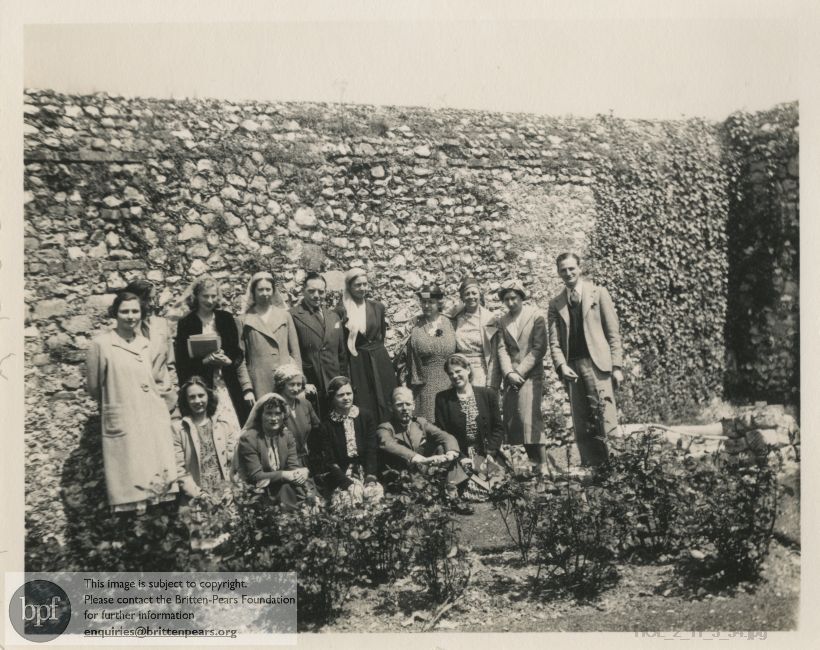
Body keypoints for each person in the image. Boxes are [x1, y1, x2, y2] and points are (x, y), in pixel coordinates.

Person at [86, 291, 178, 512]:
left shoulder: (145, 344)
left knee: (154, 480)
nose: (130, 316)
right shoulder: (102, 344)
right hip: (124, 416)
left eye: (135, 311)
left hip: (150, 416)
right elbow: (94, 387)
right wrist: (118, 400)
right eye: (124, 311)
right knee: (128, 482)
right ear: (115, 314)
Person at [547, 252, 623, 468]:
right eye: (563, 270)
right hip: (572, 367)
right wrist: (561, 366)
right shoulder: (556, 303)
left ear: (580, 268)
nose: (568, 273)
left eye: (571, 268)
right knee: (582, 423)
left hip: (597, 364)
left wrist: (616, 366)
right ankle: (595, 469)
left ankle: (618, 469)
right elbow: (555, 343)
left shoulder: (598, 294)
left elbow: (613, 333)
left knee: (605, 418)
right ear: (558, 273)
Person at [174, 276, 254, 427]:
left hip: (226, 383)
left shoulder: (226, 318)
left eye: (213, 296)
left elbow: (237, 352)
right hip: (202, 386)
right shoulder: (186, 323)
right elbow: (182, 360)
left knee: (232, 427)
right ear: (196, 296)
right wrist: (205, 361)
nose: (210, 300)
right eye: (205, 296)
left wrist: (228, 361)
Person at [494, 280, 550, 476]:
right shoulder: (503, 321)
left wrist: (520, 372)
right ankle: (535, 468)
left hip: (530, 375)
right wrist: (509, 372)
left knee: (530, 420)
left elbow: (539, 348)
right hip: (511, 377)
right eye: (506, 299)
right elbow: (501, 349)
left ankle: (543, 469)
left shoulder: (535, 316)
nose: (510, 303)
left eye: (514, 298)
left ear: (521, 298)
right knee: (517, 421)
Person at [376, 387, 468, 499]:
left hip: (424, 472)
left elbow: (445, 437)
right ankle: (439, 491)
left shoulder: (420, 423)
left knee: (442, 447)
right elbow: (388, 444)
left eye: (408, 404)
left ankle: (451, 489)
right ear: (391, 407)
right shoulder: (385, 428)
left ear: (413, 405)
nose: (405, 408)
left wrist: (450, 454)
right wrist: (420, 458)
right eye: (399, 405)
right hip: (402, 476)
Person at [335, 267, 397, 423]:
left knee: (386, 396)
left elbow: (381, 334)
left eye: (365, 284)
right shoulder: (341, 310)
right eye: (357, 285)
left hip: (379, 358)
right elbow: (341, 340)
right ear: (349, 286)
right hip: (358, 361)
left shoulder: (377, 307)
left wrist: (377, 354)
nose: (362, 288)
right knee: (365, 399)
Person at [234, 393, 314, 510]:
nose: (274, 418)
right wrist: (284, 475)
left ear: (283, 415)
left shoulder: (286, 436)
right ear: (260, 415)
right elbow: (256, 476)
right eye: (269, 413)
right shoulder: (249, 438)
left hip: (282, 488)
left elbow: (292, 467)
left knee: (305, 498)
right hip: (258, 491)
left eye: (277, 413)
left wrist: (304, 480)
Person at [309, 376, 383, 504]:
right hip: (340, 475)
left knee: (375, 494)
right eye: (341, 395)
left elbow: (371, 449)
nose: (346, 398)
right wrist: (346, 483)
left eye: (349, 393)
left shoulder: (365, 416)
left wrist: (370, 477)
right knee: (350, 497)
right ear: (332, 397)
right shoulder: (326, 425)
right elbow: (329, 460)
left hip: (364, 471)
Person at [289, 271, 348, 418]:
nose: (316, 295)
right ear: (303, 291)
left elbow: (341, 354)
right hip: (311, 382)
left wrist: (344, 381)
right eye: (311, 291)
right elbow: (290, 354)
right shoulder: (293, 315)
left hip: (334, 383)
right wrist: (301, 383)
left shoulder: (333, 316)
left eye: (321, 291)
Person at [237, 271, 302, 398]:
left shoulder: (285, 316)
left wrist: (299, 381)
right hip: (259, 382)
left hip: (287, 380)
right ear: (253, 292)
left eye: (268, 289)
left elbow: (295, 352)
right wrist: (247, 388)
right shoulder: (243, 320)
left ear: (273, 291)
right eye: (260, 290)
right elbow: (240, 359)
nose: (265, 294)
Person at [173, 376, 237, 499]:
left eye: (201, 395)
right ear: (185, 400)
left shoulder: (224, 425)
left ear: (208, 396)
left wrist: (230, 489)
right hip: (198, 499)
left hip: (226, 495)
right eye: (192, 397)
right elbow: (179, 470)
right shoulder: (178, 430)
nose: (197, 401)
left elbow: (234, 463)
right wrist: (199, 495)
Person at [123, 278, 177, 412]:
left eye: (154, 299)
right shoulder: (120, 332)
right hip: (135, 404)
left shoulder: (162, 325)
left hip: (166, 400)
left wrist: (173, 388)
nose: (152, 304)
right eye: (147, 300)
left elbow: (170, 364)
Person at [406, 284, 457, 422]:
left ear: (439, 303)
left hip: (450, 381)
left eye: (431, 302)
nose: (426, 305)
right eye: (424, 302)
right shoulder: (416, 325)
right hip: (425, 383)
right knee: (428, 423)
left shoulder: (450, 323)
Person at [449, 277, 499, 388]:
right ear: (462, 297)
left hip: (480, 370)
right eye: (467, 294)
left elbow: (494, 355)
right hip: (459, 371)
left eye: (474, 293)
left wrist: (492, 383)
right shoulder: (456, 317)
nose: (471, 297)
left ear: (479, 295)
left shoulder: (489, 319)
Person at [273, 363, 320, 469]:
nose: (296, 388)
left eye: (299, 384)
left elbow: (318, 429)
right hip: (284, 462)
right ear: (282, 384)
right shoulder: (274, 407)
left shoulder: (305, 404)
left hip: (306, 460)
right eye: (291, 384)